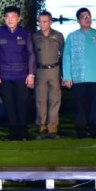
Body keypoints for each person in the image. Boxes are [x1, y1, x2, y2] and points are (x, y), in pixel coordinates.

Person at [62, 8, 96, 138]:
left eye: (89, 16)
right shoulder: (72, 36)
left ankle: (94, 129)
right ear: (78, 20)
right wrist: (67, 76)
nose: (87, 19)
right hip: (78, 78)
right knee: (79, 106)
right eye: (84, 17)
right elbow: (66, 57)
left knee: (94, 105)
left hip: (95, 78)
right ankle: (80, 130)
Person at [0, 6, 36, 141]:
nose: (10, 20)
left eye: (13, 17)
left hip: (22, 75)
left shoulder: (25, 32)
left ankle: (23, 133)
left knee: (23, 103)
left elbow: (31, 54)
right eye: (8, 17)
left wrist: (31, 74)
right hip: (4, 76)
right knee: (9, 104)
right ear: (5, 19)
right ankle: (12, 133)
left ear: (18, 19)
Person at [32, 11, 65, 139]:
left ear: (51, 22)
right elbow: (31, 55)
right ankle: (41, 126)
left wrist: (63, 73)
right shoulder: (34, 36)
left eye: (45, 21)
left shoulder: (58, 36)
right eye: (40, 21)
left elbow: (63, 54)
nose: (42, 24)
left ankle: (53, 127)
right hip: (40, 70)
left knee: (55, 98)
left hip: (54, 69)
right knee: (40, 99)